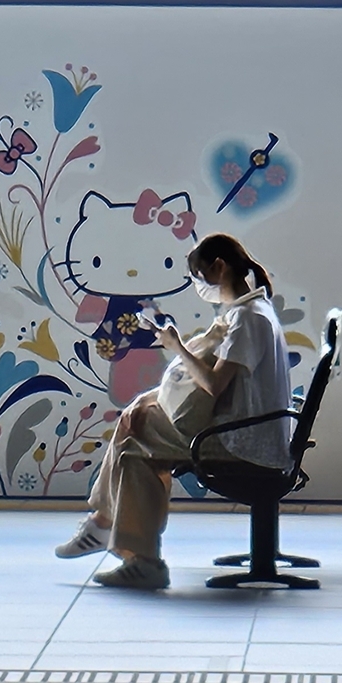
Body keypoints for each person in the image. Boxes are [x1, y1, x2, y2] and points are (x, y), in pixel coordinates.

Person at [54, 233, 293, 589]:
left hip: (242, 441)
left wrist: (176, 346)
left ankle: (134, 552)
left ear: (219, 267)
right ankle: (108, 528)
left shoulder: (247, 319)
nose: (199, 284)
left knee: (134, 445)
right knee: (135, 417)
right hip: (246, 427)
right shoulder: (252, 311)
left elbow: (212, 384)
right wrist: (146, 399)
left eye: (199, 274)